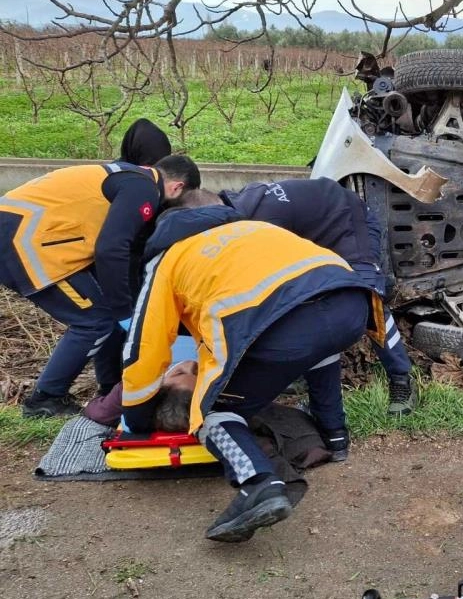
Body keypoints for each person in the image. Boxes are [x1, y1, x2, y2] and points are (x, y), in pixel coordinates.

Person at [120, 203, 384, 542]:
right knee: (320, 348)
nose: (181, 366)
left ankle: (258, 483)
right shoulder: (248, 228)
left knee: (212, 410)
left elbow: (143, 345)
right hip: (351, 302)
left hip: (281, 321)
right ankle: (334, 435)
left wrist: (137, 418)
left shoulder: (167, 260)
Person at [0, 156, 201, 417]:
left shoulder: (130, 177)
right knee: (96, 321)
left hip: (31, 235)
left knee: (102, 317)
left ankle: (106, 386)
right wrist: (124, 313)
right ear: (177, 187)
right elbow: (110, 249)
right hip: (26, 241)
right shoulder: (144, 189)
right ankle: (44, 399)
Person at [215, 179, 417, 416]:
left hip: (349, 223)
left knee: (367, 297)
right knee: (303, 306)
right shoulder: (240, 209)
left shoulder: (259, 223)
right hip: (315, 238)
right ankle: (317, 398)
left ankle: (401, 380)